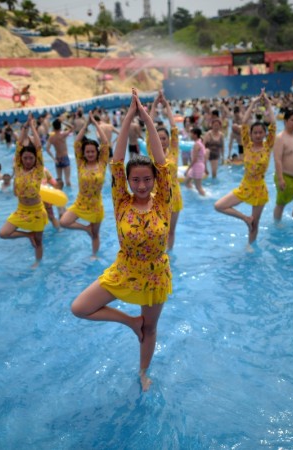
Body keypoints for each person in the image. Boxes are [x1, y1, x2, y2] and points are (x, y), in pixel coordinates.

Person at [70, 89, 171, 392]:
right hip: (124, 270)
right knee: (79, 307)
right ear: (126, 182)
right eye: (135, 180)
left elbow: (160, 159)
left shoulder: (163, 199)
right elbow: (116, 160)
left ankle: (142, 372)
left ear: (155, 180)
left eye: (147, 179)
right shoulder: (121, 202)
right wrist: (128, 117)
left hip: (154, 275)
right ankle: (130, 322)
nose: (141, 185)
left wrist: (148, 120)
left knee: (151, 328)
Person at [214, 89, 276, 245]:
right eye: (255, 132)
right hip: (245, 186)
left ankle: (250, 245)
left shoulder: (267, 146)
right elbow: (244, 123)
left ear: (264, 134)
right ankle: (244, 218)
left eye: (261, 132)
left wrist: (268, 104)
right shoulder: (247, 145)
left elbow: (274, 125)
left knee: (256, 223)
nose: (257, 135)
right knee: (219, 206)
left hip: (260, 189)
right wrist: (253, 103)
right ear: (251, 133)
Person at [0, 117, 47, 268]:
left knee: (38, 242)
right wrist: (24, 128)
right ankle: (28, 235)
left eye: (30, 158)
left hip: (37, 210)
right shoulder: (18, 168)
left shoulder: (38, 170)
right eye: (25, 158)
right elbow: (19, 144)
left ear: (35, 159)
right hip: (21, 210)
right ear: (21, 158)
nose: (27, 160)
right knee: (4, 233)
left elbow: (38, 147)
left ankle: (38, 263)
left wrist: (32, 126)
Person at [60, 113, 110, 257]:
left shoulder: (102, 164)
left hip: (95, 206)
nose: (89, 154)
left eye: (92, 151)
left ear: (96, 152)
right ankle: (85, 229)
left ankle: (94, 255)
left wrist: (95, 124)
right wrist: (85, 125)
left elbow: (105, 143)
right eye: (87, 151)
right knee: (64, 221)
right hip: (80, 203)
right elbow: (76, 142)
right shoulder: (80, 163)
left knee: (95, 235)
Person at [149, 90, 183, 250]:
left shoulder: (174, 152)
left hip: (174, 196)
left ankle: (168, 258)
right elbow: (149, 129)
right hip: (157, 197)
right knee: (157, 231)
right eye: (159, 138)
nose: (161, 141)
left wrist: (167, 105)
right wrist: (155, 105)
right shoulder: (153, 153)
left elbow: (174, 127)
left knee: (171, 231)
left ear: (169, 140)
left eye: (164, 138)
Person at [273, 109, 293, 221]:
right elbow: (277, 160)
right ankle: (277, 223)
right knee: (281, 203)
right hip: (285, 177)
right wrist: (280, 179)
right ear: (286, 121)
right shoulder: (280, 138)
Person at [46, 118, 74, 189]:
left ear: (53, 127)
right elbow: (72, 128)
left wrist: (53, 158)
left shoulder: (51, 138)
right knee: (67, 181)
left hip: (57, 159)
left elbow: (47, 149)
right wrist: (63, 121)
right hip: (65, 158)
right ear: (60, 126)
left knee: (59, 180)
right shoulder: (63, 135)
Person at [183, 128, 207, 196]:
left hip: (197, 166)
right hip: (197, 166)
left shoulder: (197, 145)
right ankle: (193, 194)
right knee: (187, 182)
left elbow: (194, 160)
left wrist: (187, 169)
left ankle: (205, 197)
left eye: (191, 133)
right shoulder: (200, 142)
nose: (190, 135)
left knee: (198, 187)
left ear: (195, 135)